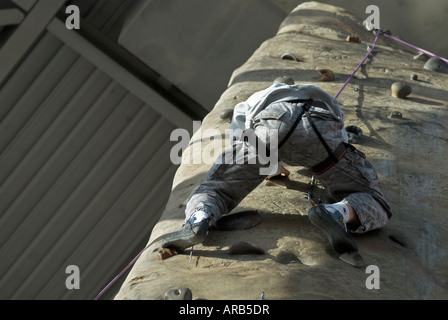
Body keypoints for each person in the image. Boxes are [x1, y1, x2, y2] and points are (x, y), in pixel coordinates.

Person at [162, 83, 392, 254]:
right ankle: (338, 212)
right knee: (371, 197)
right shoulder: (328, 100)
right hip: (320, 123)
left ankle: (199, 218)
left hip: (269, 122)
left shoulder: (256, 99)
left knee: (218, 189)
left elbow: (241, 135)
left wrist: (270, 165)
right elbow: (336, 147)